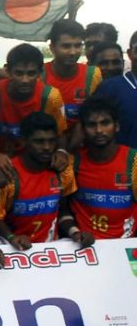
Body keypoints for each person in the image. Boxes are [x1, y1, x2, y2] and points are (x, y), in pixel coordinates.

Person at [0, 112, 77, 265]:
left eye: (51, 141)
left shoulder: (63, 170)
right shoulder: (7, 173)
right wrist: (12, 237)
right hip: (11, 245)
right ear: (24, 141)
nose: (47, 147)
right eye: (39, 141)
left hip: (49, 247)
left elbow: (63, 210)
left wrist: (75, 233)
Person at [0, 43, 67, 155]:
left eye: (31, 73)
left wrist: (61, 152)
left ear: (40, 72)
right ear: (7, 71)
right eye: (19, 73)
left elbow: (61, 134)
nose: (25, 80)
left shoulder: (51, 97)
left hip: (35, 161)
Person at [66, 96, 137, 240]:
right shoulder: (73, 163)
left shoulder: (134, 161)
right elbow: (61, 207)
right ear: (83, 129)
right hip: (83, 245)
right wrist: (74, 232)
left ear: (116, 126)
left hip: (124, 246)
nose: (99, 130)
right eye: (92, 125)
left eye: (105, 123)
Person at [43, 19, 101, 126]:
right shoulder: (39, 75)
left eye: (78, 46)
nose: (73, 52)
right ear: (52, 48)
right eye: (66, 46)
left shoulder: (92, 75)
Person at [94, 39, 137, 148]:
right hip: (125, 161)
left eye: (115, 62)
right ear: (130, 53)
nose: (110, 67)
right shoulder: (108, 87)